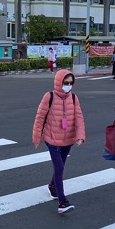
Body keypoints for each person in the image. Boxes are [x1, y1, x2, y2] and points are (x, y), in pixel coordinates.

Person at [32, 70, 85, 214]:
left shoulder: (74, 98)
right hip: (52, 139)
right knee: (60, 168)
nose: (68, 85)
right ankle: (62, 202)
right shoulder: (48, 97)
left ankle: (52, 186)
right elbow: (40, 118)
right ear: (58, 82)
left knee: (59, 167)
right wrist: (37, 138)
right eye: (65, 82)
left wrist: (80, 136)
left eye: (70, 83)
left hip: (68, 139)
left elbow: (79, 118)